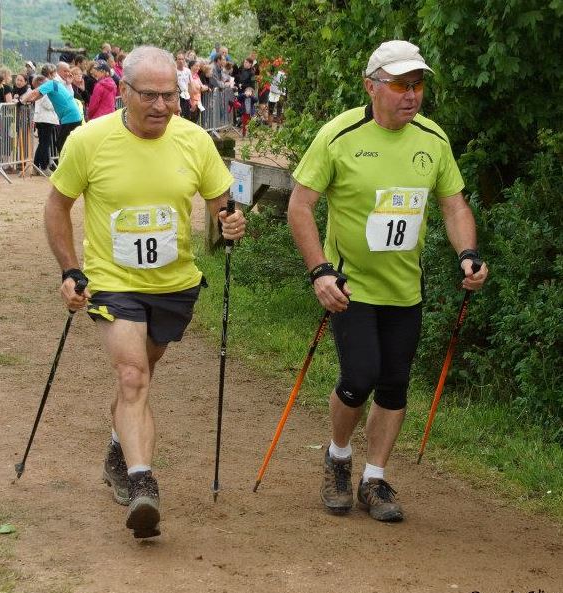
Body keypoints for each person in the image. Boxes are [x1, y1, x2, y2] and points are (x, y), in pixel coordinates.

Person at [43, 45, 246, 539]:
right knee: (132, 374)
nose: (161, 106)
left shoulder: (194, 141)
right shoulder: (88, 141)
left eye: (169, 96)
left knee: (144, 372)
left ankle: (118, 448)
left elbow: (223, 202)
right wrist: (71, 270)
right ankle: (142, 485)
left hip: (175, 284)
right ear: (123, 92)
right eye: (149, 96)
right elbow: (56, 207)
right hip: (113, 282)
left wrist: (231, 221)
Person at [287, 40, 488, 522]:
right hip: (350, 287)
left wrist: (468, 253)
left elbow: (453, 204)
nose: (411, 94)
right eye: (400, 84)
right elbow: (300, 205)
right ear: (371, 86)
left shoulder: (432, 140)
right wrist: (319, 271)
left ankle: (374, 479)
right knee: (359, 379)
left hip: (404, 289)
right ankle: (338, 457)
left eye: (417, 85)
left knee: (394, 385)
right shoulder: (340, 135)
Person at [21, 71, 82, 154]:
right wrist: (31, 100)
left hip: (70, 117)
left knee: (61, 144)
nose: (37, 88)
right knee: (63, 144)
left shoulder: (49, 84)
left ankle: (68, 165)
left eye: (36, 86)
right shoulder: (55, 84)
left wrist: (21, 102)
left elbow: (34, 92)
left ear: (40, 83)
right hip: (72, 116)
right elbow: (39, 95)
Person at [30, 75, 59, 175]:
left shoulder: (41, 91)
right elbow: (47, 104)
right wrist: (57, 102)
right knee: (45, 144)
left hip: (44, 119)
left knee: (42, 144)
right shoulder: (44, 92)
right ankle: (43, 166)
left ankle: (36, 166)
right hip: (45, 120)